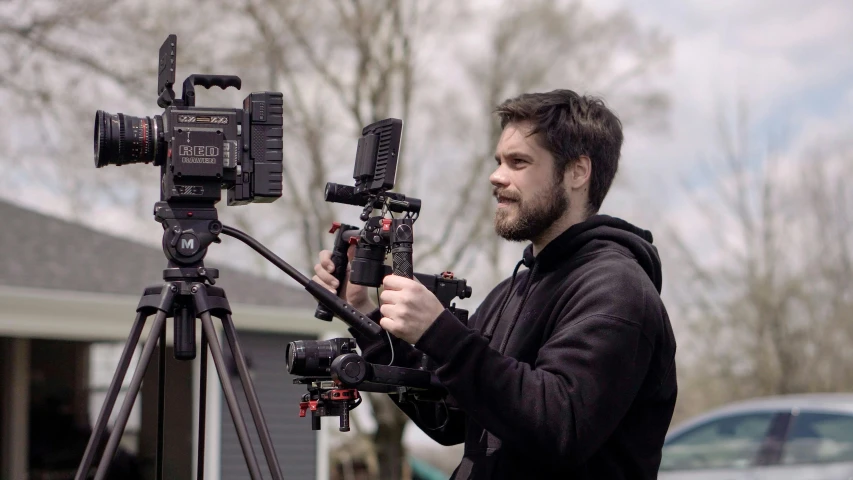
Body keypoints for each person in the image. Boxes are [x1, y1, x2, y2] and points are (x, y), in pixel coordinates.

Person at [313, 89, 677, 479]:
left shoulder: (617, 290)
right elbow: (448, 417)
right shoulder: (512, 292)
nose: (496, 176)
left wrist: (441, 333)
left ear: (577, 172)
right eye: (499, 161)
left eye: (518, 162)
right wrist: (363, 310)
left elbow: (559, 427)